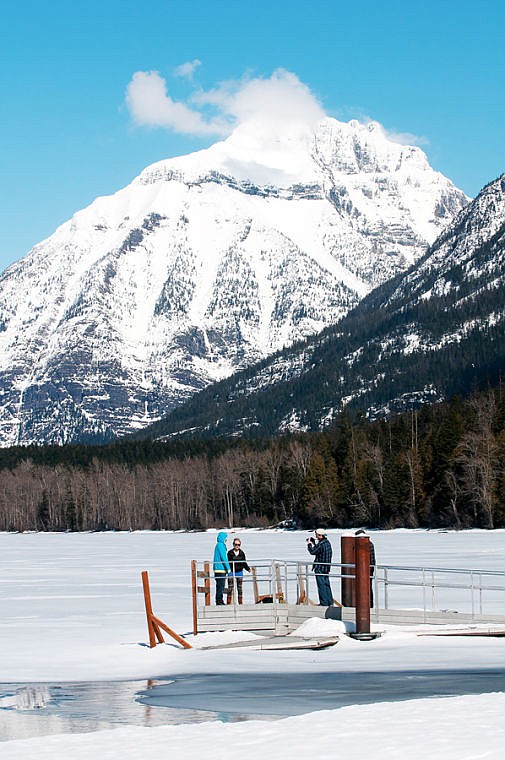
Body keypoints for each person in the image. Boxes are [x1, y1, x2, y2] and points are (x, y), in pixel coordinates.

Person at [306, 528, 333, 606]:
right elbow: (319, 551)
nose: (316, 536)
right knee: (327, 585)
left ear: (320, 535)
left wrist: (309, 544)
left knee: (321, 586)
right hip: (326, 568)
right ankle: (330, 602)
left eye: (316, 535)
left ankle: (323, 603)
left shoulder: (321, 544)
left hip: (320, 568)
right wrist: (314, 543)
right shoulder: (327, 542)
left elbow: (313, 551)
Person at [226, 538, 251, 604]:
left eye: (238, 544)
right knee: (230, 588)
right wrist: (227, 570)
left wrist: (248, 568)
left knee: (239, 588)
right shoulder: (230, 553)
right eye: (236, 544)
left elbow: (244, 562)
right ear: (233, 545)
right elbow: (227, 562)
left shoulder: (242, 553)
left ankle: (240, 602)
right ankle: (228, 602)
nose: (237, 546)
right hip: (231, 572)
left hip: (239, 571)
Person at [355, 529, 376, 607]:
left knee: (367, 587)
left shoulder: (366, 544)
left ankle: (368, 605)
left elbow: (368, 558)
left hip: (367, 569)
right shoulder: (370, 544)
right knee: (368, 587)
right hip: (369, 568)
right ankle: (369, 605)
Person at [213, 531, 231, 605]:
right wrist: (228, 568)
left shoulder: (219, 545)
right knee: (221, 585)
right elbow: (224, 557)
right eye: (225, 538)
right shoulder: (220, 545)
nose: (226, 540)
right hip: (220, 569)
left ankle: (219, 600)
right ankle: (219, 600)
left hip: (220, 569)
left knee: (220, 585)